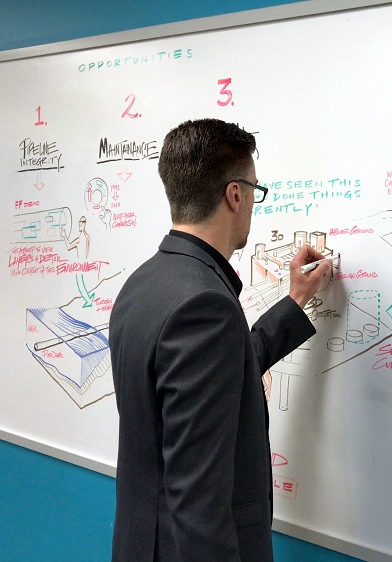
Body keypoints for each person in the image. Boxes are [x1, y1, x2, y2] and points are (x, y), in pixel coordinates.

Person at [109, 118, 331, 561]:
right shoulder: (205, 304)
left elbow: (224, 368)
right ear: (235, 194)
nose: (253, 203)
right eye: (254, 191)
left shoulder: (146, 282)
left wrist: (293, 303)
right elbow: (199, 498)